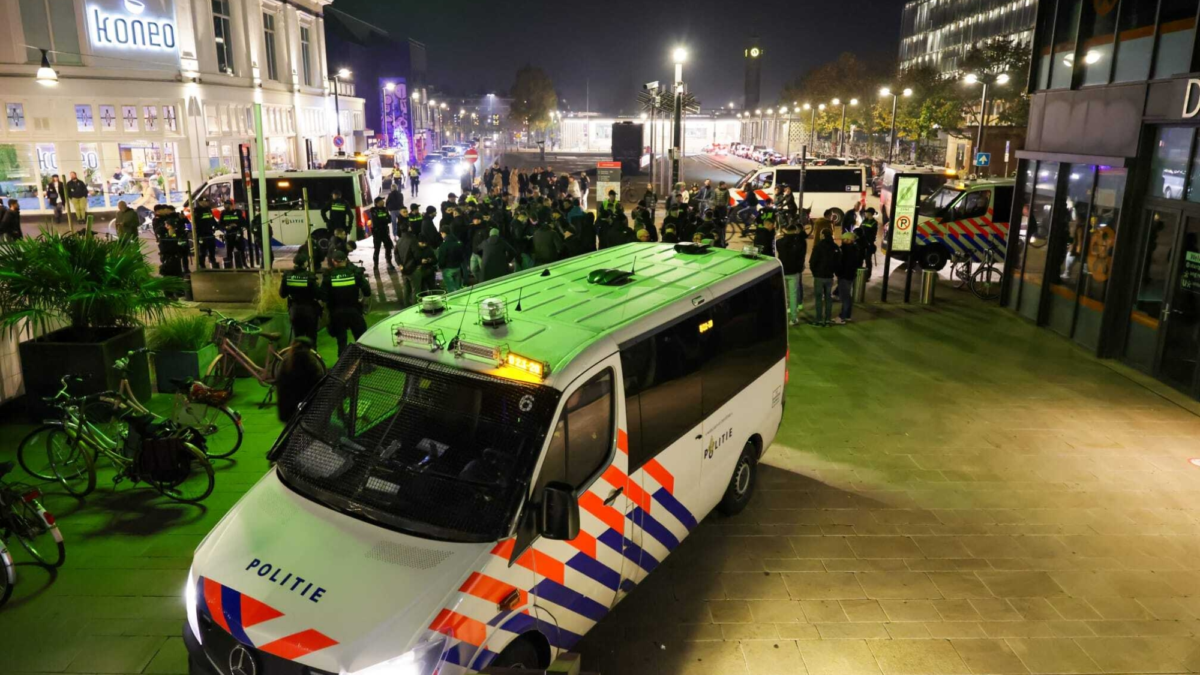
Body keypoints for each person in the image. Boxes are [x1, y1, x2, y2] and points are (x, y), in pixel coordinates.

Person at [322, 250, 370, 356]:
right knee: (361, 338)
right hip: (354, 310)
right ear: (346, 260)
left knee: (341, 341)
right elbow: (367, 290)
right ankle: (366, 364)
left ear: (333, 261)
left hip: (337, 312)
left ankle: (342, 368)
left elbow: (323, 296)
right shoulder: (354, 273)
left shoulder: (329, 276)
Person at [275, 338, 324, 423]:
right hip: (305, 409)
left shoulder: (286, 363)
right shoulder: (309, 364)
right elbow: (318, 382)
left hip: (287, 412)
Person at [279, 253, 322, 345]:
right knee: (311, 337)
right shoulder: (310, 277)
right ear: (305, 263)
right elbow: (318, 295)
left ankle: (298, 357)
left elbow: (282, 294)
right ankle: (311, 356)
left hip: (295, 311)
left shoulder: (288, 276)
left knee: (298, 338)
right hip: (310, 311)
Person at [776, 222, 807, 325]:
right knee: (793, 295)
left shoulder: (779, 242)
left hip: (783, 270)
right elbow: (801, 257)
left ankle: (781, 316)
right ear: (795, 231)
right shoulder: (800, 243)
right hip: (794, 271)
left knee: (783, 295)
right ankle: (793, 318)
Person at [809, 229, 840, 327]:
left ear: (822, 235)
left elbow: (812, 261)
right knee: (828, 298)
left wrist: (815, 272)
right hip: (829, 276)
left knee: (818, 298)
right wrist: (833, 271)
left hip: (819, 276)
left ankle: (818, 319)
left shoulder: (818, 246)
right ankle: (827, 319)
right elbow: (838, 261)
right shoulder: (835, 247)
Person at [834, 232, 863, 325]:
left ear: (850, 240)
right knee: (847, 297)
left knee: (844, 297)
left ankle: (842, 317)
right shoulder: (855, 249)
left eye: (845, 239)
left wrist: (839, 272)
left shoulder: (846, 250)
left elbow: (842, 264)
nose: (844, 241)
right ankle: (847, 316)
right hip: (850, 276)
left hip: (845, 276)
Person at [394, 220, 419, 305]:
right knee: (415, 290)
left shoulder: (399, 241)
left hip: (403, 269)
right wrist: (418, 264)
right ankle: (415, 307)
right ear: (408, 228)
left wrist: (400, 264)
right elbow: (416, 254)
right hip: (413, 269)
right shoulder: (413, 240)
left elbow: (396, 254)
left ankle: (406, 306)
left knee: (406, 289)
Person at [368, 196, 396, 271]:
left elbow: (389, 220)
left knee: (388, 247)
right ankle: (376, 265)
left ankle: (389, 263)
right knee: (377, 249)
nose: (383, 202)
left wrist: (384, 219)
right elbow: (377, 221)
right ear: (377, 203)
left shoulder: (385, 209)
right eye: (381, 201)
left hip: (385, 232)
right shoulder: (373, 210)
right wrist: (385, 219)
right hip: (377, 233)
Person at [220, 199, 248, 268]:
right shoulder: (223, 213)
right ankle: (230, 266)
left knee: (241, 251)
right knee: (229, 252)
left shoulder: (238, 212)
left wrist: (236, 225)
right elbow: (220, 224)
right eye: (224, 205)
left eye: (227, 205)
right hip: (229, 235)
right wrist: (226, 227)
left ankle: (244, 264)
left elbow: (244, 223)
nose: (225, 206)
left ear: (231, 205)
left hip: (237, 235)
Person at [437, 224, 466, 292]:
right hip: (458, 267)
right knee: (458, 287)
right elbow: (462, 255)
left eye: (441, 233)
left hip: (447, 269)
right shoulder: (458, 242)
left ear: (444, 233)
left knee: (450, 289)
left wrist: (440, 267)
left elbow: (441, 259)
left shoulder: (444, 245)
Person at [193, 197, 219, 268]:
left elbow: (212, 218)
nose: (207, 203)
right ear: (200, 202)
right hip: (202, 234)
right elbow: (197, 223)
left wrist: (217, 226)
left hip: (210, 232)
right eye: (205, 201)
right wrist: (199, 234)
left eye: (207, 201)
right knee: (202, 250)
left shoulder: (208, 209)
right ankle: (202, 265)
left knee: (212, 248)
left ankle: (212, 262)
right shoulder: (197, 210)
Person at [855, 207, 880, 280]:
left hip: (868, 244)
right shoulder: (864, 221)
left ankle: (867, 276)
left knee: (868, 260)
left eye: (866, 212)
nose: (865, 213)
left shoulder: (874, 223)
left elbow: (872, 235)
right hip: (861, 244)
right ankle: (858, 273)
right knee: (859, 259)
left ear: (870, 213)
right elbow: (859, 230)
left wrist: (868, 241)